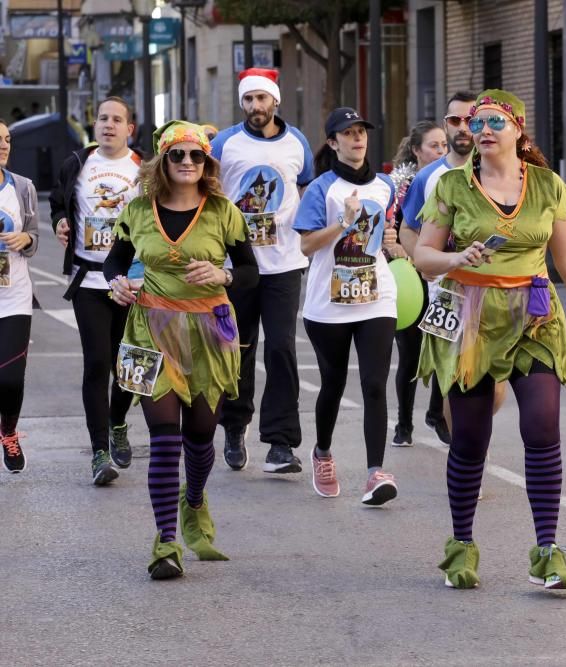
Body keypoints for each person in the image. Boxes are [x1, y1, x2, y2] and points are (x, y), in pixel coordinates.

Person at [412, 89, 566, 595]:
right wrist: (456, 259)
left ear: (519, 130)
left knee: (542, 429)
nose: (487, 131)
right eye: (479, 124)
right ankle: (461, 546)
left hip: (536, 315)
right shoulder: (453, 185)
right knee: (471, 439)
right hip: (471, 313)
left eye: (498, 122)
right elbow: (424, 257)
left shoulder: (545, 185)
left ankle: (548, 551)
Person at [104, 120, 259, 580]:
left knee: (199, 435)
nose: (187, 163)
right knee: (165, 437)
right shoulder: (137, 210)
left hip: (209, 332)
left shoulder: (222, 212)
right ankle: (166, 542)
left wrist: (223, 276)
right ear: (162, 162)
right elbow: (116, 257)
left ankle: (193, 500)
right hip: (149, 327)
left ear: (207, 163)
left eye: (196, 156)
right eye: (178, 155)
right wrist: (116, 281)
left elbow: (251, 271)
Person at [293, 107, 402, 505]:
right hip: (329, 303)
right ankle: (322, 452)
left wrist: (391, 238)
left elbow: (387, 233)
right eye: (348, 133)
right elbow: (305, 246)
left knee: (374, 384)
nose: (358, 138)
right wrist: (343, 222)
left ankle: (376, 473)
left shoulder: (387, 185)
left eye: (362, 131)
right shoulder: (322, 188)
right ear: (333, 142)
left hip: (376, 297)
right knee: (334, 384)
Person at [211, 68, 313, 474]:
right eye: (249, 100)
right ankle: (235, 426)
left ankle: (281, 442)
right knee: (239, 348)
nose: (256, 106)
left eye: (262, 99)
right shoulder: (225, 143)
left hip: (284, 264)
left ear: (275, 101)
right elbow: (210, 193)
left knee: (282, 349)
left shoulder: (297, 142)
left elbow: (304, 192)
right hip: (237, 266)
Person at [399, 91, 509, 443]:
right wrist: (424, 263)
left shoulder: (499, 172)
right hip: (446, 294)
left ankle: (463, 437)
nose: (463, 128)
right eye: (454, 121)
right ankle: (464, 450)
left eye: (470, 120)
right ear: (445, 126)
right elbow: (407, 227)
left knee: (494, 387)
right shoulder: (429, 178)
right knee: (457, 378)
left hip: (498, 291)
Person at [50, 97, 144, 485]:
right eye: (103, 118)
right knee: (97, 363)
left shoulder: (145, 167)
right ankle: (99, 451)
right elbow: (59, 201)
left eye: (116, 119)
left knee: (130, 365)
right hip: (89, 280)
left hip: (133, 280)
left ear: (129, 129)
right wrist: (59, 222)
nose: (108, 124)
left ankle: (118, 419)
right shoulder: (78, 163)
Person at [387, 120, 447, 446]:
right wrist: (400, 249)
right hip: (408, 277)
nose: (441, 151)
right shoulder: (400, 184)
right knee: (410, 353)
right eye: (434, 146)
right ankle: (403, 423)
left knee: (441, 342)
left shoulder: (451, 180)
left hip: (441, 276)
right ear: (416, 150)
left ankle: (436, 414)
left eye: (444, 146)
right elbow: (389, 229)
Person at [0, 120, 40, 473]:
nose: (3, 146)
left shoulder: (23, 187)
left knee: (10, 378)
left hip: (14, 295)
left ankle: (9, 431)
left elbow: (33, 236)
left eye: (7, 140)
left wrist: (25, 240)